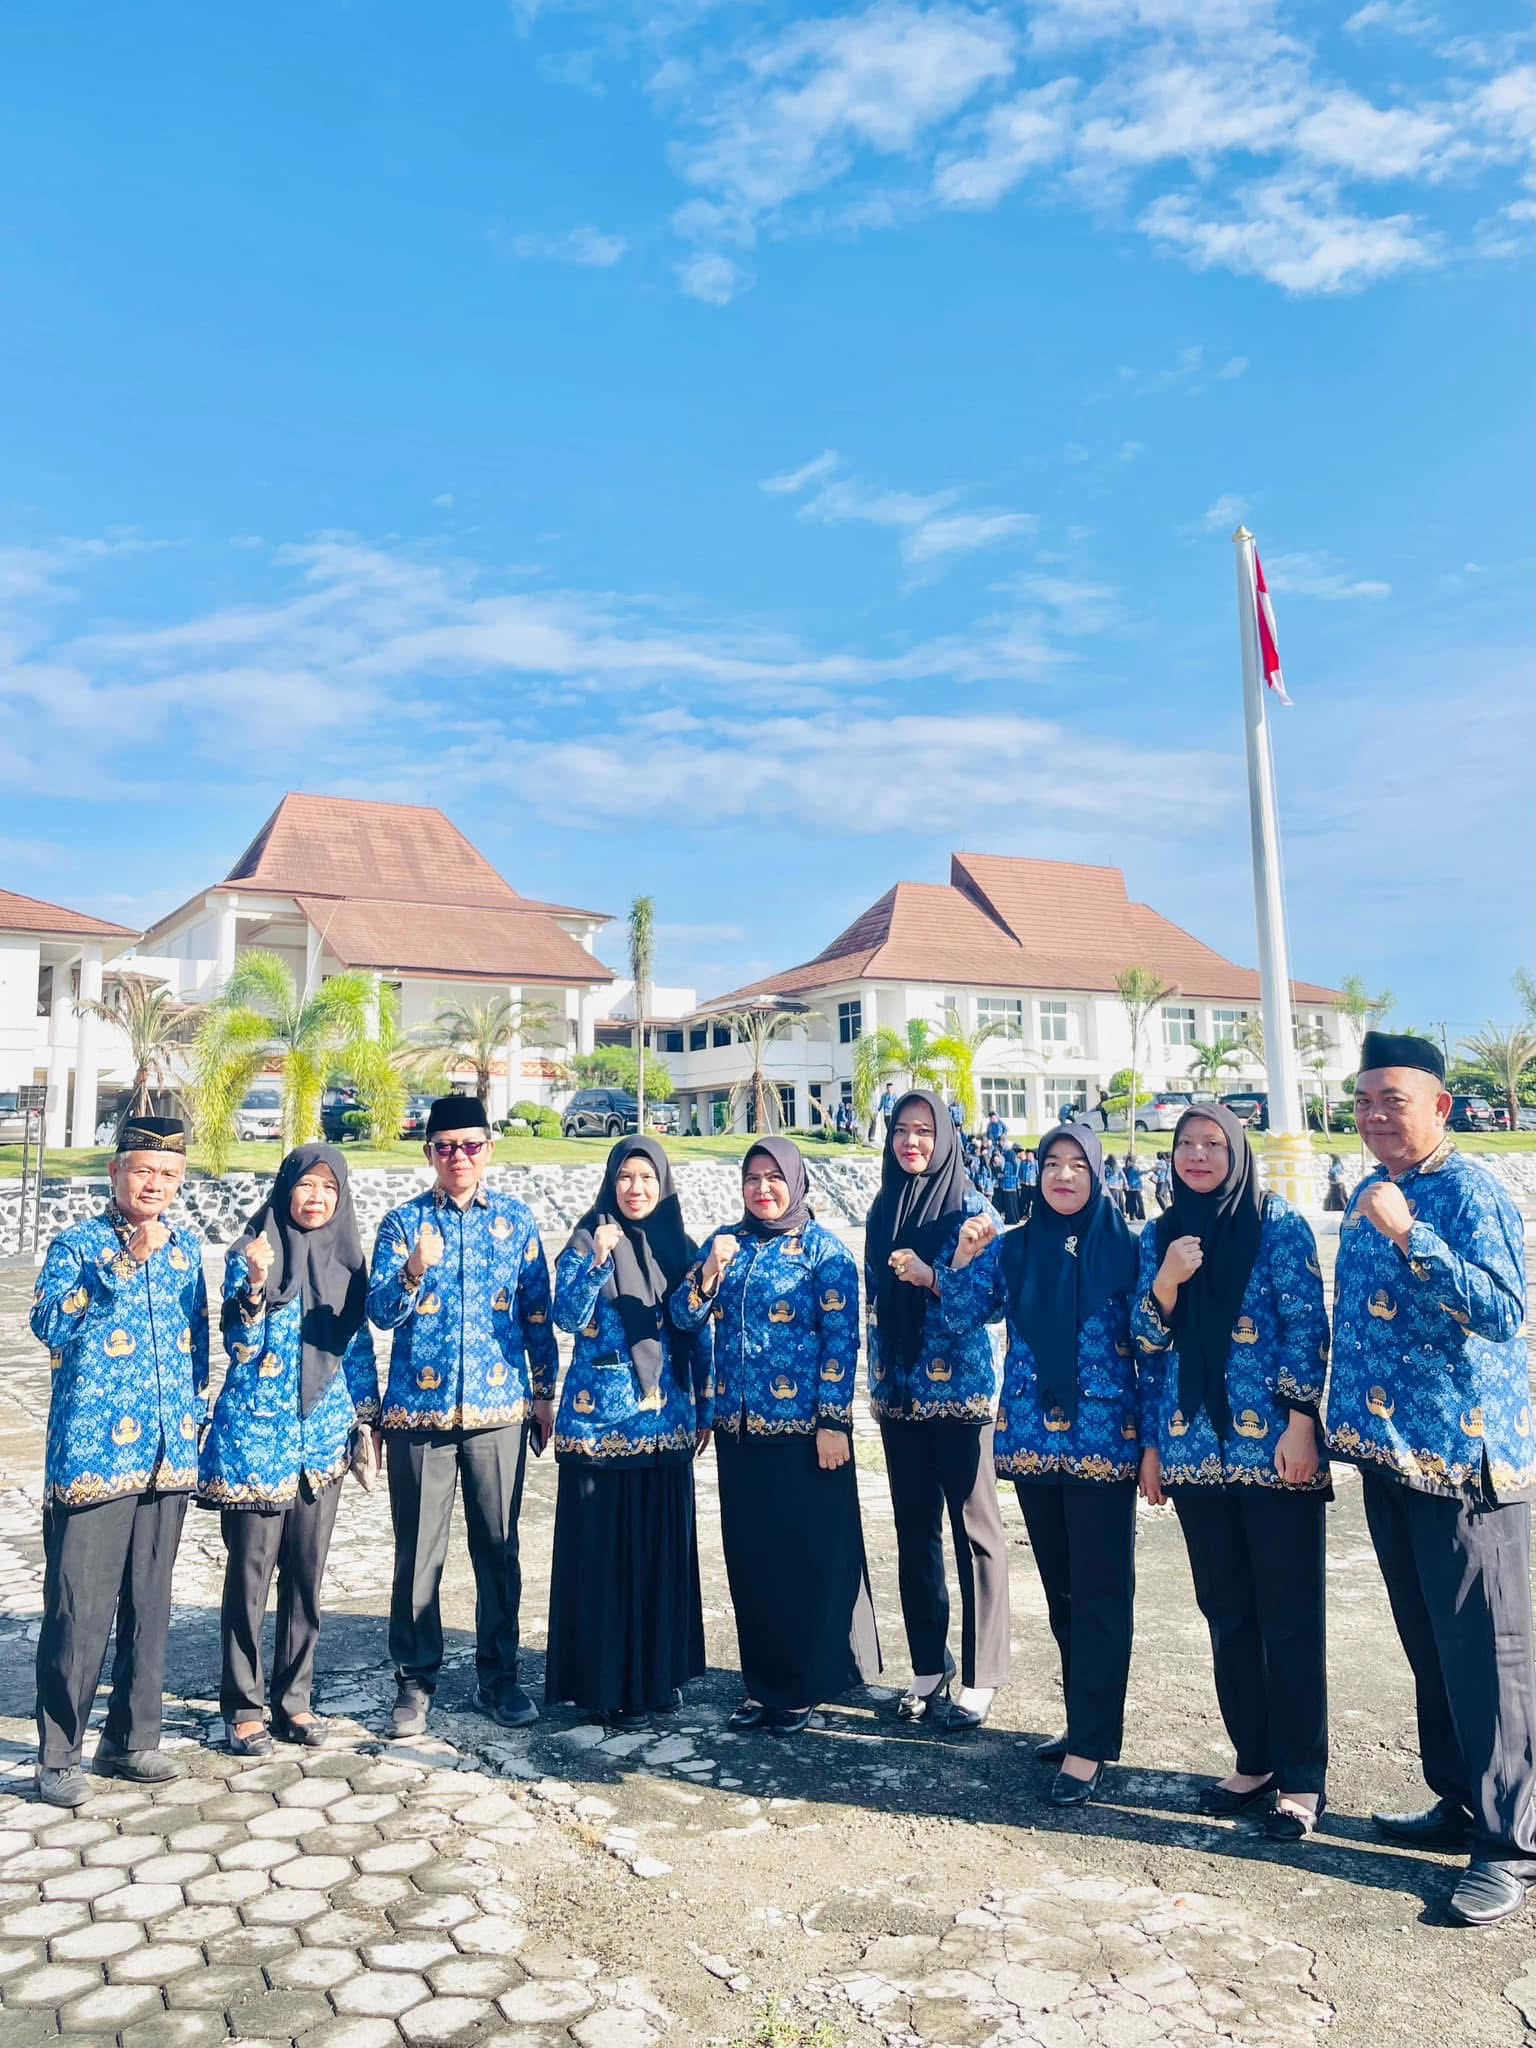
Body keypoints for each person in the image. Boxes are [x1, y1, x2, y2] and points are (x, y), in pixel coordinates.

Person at [1326, 1032, 1535, 1926]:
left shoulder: (1468, 1191)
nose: (1374, 1115)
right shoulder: (1371, 1190)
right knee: (1430, 1645)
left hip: (1464, 1460)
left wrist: (1413, 1236)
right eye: (1364, 1100)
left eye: (1394, 1100)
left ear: (1441, 1106)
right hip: (1389, 1454)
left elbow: (1505, 1310)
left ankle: (1511, 1843)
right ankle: (1458, 1800)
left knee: (1489, 1655)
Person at [1134, 1104, 1331, 1841]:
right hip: (1192, 1450)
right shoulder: (1161, 1235)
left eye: (1212, 1143)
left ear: (1238, 1152)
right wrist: (1167, 1282)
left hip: (1273, 1451)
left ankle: (1302, 1779)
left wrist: (1302, 1423)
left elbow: (1306, 1329)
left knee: (1289, 1613)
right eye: (1185, 1144)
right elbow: (1145, 1343)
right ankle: (1255, 1759)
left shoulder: (1278, 1226)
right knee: (1225, 1610)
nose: (1197, 1155)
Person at [939, 1124, 1141, 1805]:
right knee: (1063, 1595)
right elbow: (960, 1316)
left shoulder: (1126, 1249)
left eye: (1077, 1164)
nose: (1063, 1175)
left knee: (1101, 1594)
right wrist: (963, 1256)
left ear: (1098, 1173)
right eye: (1052, 1163)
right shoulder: (1015, 1246)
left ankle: (1091, 1744)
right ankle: (1083, 1723)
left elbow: (1151, 1345)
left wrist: (1153, 1445)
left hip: (1105, 1442)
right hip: (1031, 1441)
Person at [30, 1117, 209, 1806]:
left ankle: (131, 1740)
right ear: (115, 1173)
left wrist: (193, 1421)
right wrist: (124, 1262)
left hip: (167, 1456)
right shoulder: (77, 1245)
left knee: (149, 1605)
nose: (155, 1185)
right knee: (79, 1610)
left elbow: (196, 1343)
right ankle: (58, 1755)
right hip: (94, 1457)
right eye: (143, 1171)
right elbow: (49, 1322)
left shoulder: (186, 1249)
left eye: (168, 1176)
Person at [368, 1095, 558, 1738]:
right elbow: (380, 1313)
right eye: (446, 1147)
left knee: (498, 1550)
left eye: (471, 1145)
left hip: (499, 1410)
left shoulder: (516, 1220)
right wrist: (413, 1270)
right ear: (429, 1153)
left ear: (489, 1150)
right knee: (418, 1555)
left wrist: (544, 1393)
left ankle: (498, 1677)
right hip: (418, 1416)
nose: (459, 1157)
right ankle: (414, 1681)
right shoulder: (402, 1223)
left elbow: (536, 1313)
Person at [673, 1139, 878, 1734]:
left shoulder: (824, 1252)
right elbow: (683, 1318)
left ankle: (800, 1686)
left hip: (804, 1437)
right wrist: (708, 1273)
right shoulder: (726, 1243)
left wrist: (833, 1422)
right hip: (739, 1433)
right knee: (751, 1561)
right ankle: (762, 1684)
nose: (763, 1189)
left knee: (802, 1561)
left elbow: (842, 1343)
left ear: (796, 1181)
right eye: (753, 1178)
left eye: (774, 1177)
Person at [202, 1143, 380, 1756]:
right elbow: (239, 1347)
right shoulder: (251, 1251)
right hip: (256, 1444)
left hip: (322, 1446)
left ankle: (293, 1699)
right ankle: (243, 1705)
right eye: (307, 1185)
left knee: (306, 1579)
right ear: (286, 1189)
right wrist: (256, 1287)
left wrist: (366, 1422)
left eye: (330, 1189)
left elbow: (357, 1349)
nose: (317, 1198)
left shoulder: (348, 1261)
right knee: (248, 1581)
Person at [546, 1138, 711, 1730]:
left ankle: (657, 1679)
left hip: (666, 1426)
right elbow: (565, 1315)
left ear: (662, 1185)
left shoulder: (680, 1246)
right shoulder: (585, 1239)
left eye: (646, 1178)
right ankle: (603, 1685)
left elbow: (692, 1326)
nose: (635, 1188)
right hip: (599, 1429)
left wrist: (706, 1403)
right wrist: (599, 1259)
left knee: (657, 1558)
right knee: (604, 1560)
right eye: (624, 1177)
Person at [867, 1090, 1010, 1732]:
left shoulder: (973, 1211)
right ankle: (929, 1665)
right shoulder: (884, 1208)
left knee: (975, 1534)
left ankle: (980, 1677)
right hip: (900, 1398)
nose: (912, 1142)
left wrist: (936, 1274)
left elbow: (988, 1305)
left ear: (946, 1138)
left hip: (961, 1399)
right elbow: (876, 1305)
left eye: (925, 1130)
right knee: (913, 1532)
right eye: (902, 1129)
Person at [996, 1145, 1023, 1226]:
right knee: (1014, 1204)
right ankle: (1015, 1218)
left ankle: (1010, 1219)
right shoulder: (1015, 1163)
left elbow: (1007, 1175)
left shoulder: (1008, 1164)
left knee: (1009, 1204)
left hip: (1007, 1186)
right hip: (1013, 1186)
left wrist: (1000, 1175)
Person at [1122, 1154, 1146, 1223]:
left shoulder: (1133, 1168)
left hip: (1134, 1188)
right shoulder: (1127, 1169)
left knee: (1135, 1202)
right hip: (1131, 1188)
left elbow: (1139, 1173)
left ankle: (1136, 1215)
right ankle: (1134, 1215)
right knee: (1133, 1202)